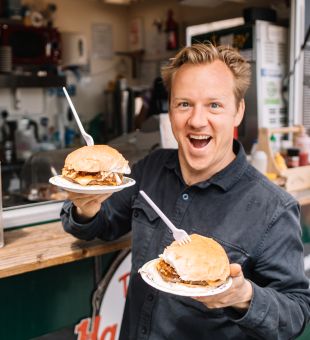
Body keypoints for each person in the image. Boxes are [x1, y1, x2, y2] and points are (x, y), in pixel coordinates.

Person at [61, 43, 310, 340]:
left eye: (214, 105)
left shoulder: (273, 208)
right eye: (184, 104)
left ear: (238, 111)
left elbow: (296, 313)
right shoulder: (150, 169)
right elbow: (101, 224)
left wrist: (244, 297)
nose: (196, 120)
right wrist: (85, 208)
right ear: (170, 109)